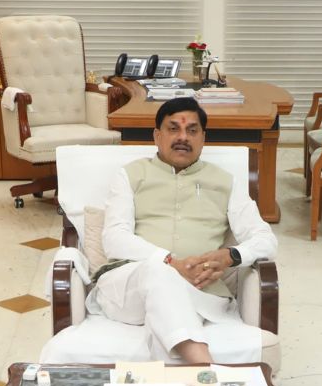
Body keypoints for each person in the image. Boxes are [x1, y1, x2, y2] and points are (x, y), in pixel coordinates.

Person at [89, 97, 277, 363]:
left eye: (192, 130)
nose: (183, 137)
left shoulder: (224, 182)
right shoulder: (130, 175)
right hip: (128, 291)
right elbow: (114, 238)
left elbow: (266, 239)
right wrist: (170, 263)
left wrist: (230, 256)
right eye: (173, 128)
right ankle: (203, 367)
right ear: (157, 135)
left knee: (164, 294)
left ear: (203, 138)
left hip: (199, 294)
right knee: (158, 271)